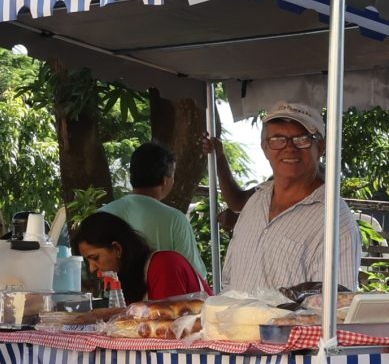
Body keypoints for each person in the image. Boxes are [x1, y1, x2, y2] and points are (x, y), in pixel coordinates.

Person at [212, 102, 361, 295]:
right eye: (278, 139)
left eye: (302, 139)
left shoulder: (335, 222)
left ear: (321, 147)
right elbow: (229, 279)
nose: (289, 148)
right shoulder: (255, 202)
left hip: (285, 327)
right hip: (231, 323)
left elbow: (336, 306)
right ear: (265, 148)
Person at [100, 141, 204, 269]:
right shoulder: (175, 220)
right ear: (165, 180)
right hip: (165, 289)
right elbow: (194, 275)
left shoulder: (101, 215)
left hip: (111, 289)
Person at [73, 209, 206, 304]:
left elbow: (167, 325)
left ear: (117, 249)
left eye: (95, 258)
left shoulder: (164, 265)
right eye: (87, 261)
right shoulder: (128, 279)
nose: (91, 269)